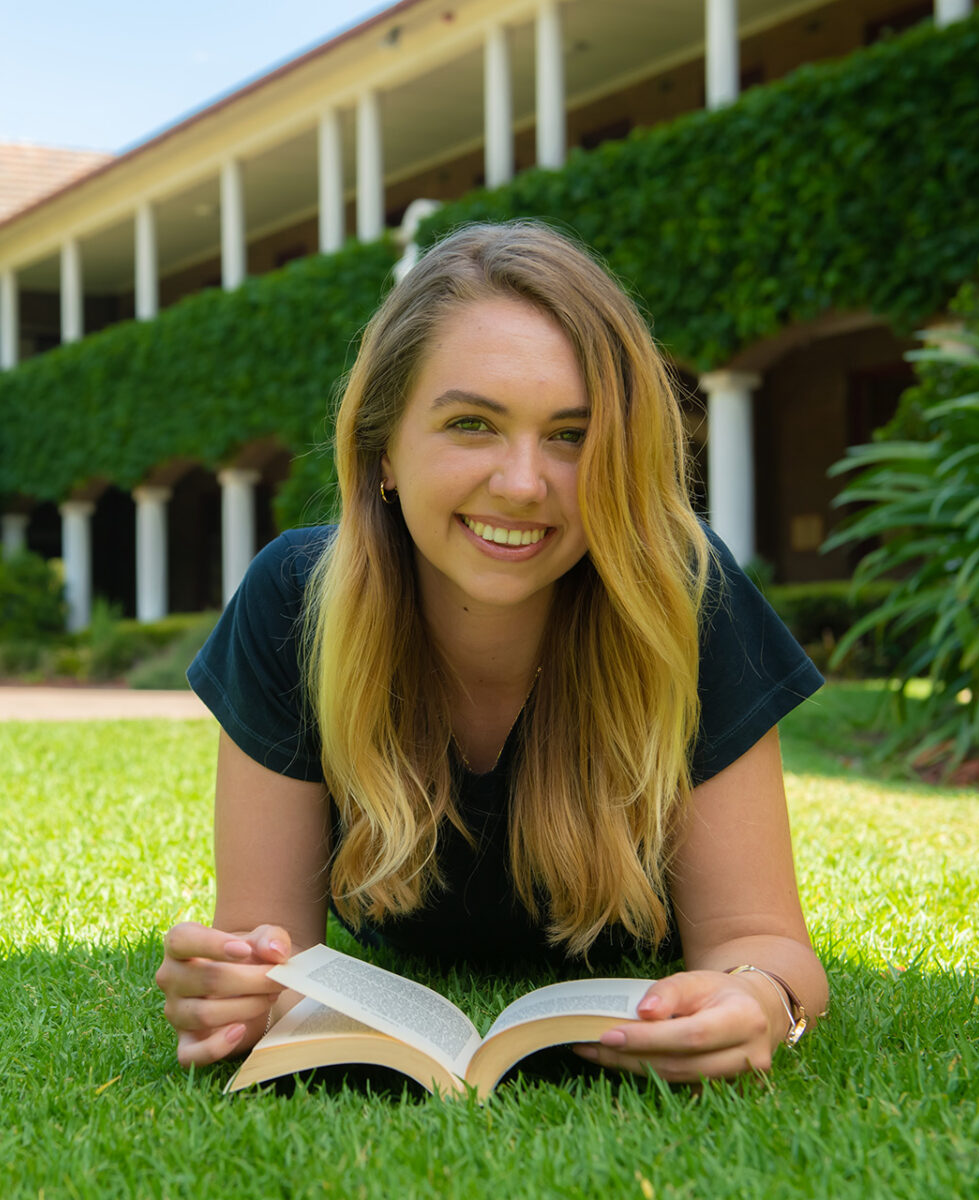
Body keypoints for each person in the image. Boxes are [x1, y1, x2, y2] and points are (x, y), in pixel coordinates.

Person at [154, 220, 828, 1084]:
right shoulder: (297, 597)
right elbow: (267, 944)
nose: (521, 483)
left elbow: (765, 944)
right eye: (473, 424)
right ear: (384, 448)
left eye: (571, 436)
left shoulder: (688, 596)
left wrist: (760, 1001)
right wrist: (229, 988)